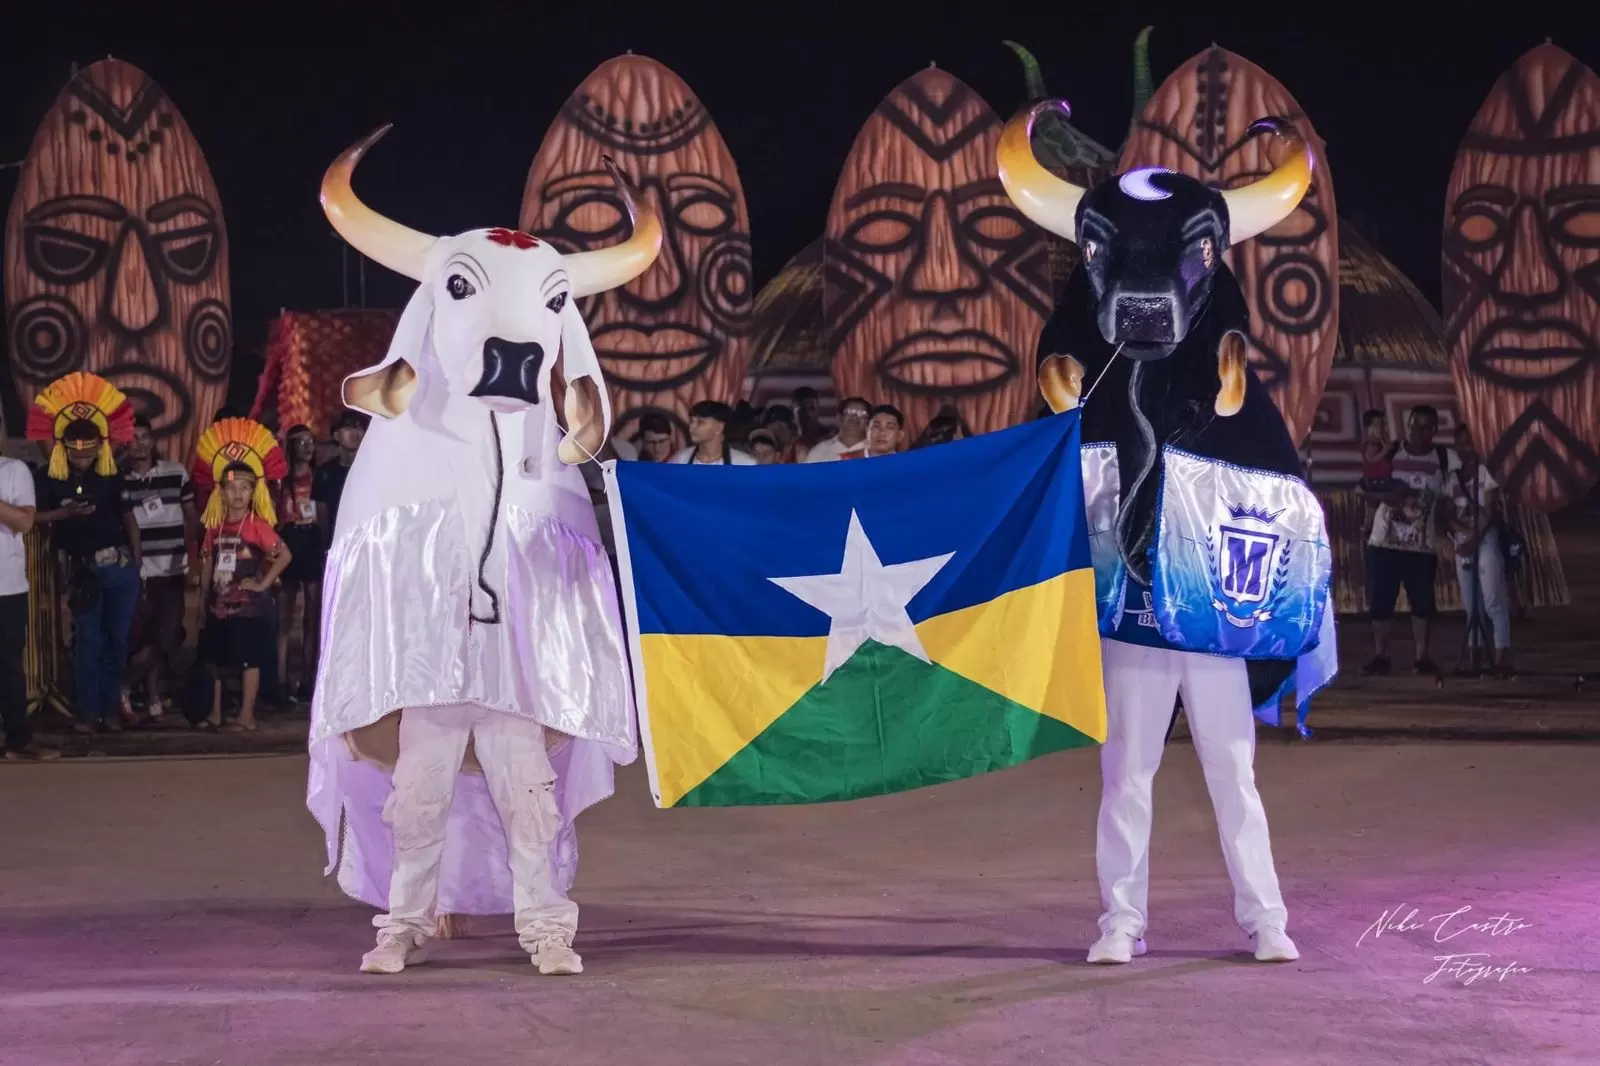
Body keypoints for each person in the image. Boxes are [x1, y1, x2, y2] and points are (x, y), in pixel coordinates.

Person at [28, 375, 142, 735]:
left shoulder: (112, 474)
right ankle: (88, 713)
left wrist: (137, 566)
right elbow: (34, 518)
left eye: (87, 447)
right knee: (88, 642)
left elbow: (130, 520)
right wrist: (64, 515)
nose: (81, 453)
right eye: (75, 447)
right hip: (82, 571)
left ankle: (110, 711)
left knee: (117, 641)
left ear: (99, 445)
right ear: (62, 444)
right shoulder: (49, 476)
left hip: (120, 567)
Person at [192, 419, 291, 733]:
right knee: (216, 661)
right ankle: (217, 714)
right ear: (220, 492)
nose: (237, 494)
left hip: (248, 608)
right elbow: (207, 565)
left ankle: (246, 716)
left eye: (244, 488)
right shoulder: (214, 528)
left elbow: (285, 554)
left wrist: (262, 583)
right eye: (231, 488)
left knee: (249, 659)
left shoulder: (257, 525)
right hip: (218, 606)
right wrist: (201, 603)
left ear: (253, 491)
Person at [1360, 404, 1458, 676]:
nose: (1419, 432)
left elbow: (1450, 499)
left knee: (1422, 602)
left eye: (1426, 427)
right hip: (1384, 541)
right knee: (1381, 601)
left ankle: (1421, 657)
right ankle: (1381, 655)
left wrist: (1452, 530)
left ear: (1435, 429)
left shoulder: (1444, 458)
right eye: (1414, 425)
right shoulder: (1391, 452)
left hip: (1421, 546)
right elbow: (1368, 486)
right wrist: (1372, 516)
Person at [122, 416, 198, 721]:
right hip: (137, 571)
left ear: (153, 441)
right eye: (132, 437)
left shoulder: (175, 473)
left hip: (171, 568)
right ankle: (152, 698)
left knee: (166, 637)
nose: (138, 443)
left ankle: (123, 684)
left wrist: (192, 557)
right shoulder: (119, 478)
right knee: (144, 637)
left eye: (144, 437)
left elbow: (191, 517)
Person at [0, 445, 56, 760]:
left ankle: (17, 740)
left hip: (6, 588)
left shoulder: (14, 471)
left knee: (8, 666)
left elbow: (24, 522)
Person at [1448, 423, 1513, 676]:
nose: (1466, 447)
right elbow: (1447, 511)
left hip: (1483, 540)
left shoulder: (1487, 472)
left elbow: (1490, 510)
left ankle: (1502, 657)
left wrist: (1471, 539)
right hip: (1462, 540)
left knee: (1493, 601)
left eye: (1470, 442)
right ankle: (1476, 657)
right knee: (1471, 605)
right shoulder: (1453, 477)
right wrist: (1459, 531)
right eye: (1462, 442)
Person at [276, 426, 325, 703]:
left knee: (311, 616)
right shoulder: (281, 480)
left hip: (312, 541)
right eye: (301, 442)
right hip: (289, 539)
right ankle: (281, 679)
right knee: (285, 616)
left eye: (311, 441)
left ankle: (309, 678)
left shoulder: (319, 476)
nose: (307, 446)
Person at [313, 410, 366, 540]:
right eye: (349, 427)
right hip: (336, 538)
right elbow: (321, 512)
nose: (355, 432)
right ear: (336, 435)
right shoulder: (325, 472)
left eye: (359, 427)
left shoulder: (370, 467)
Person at [669, 401, 756, 465]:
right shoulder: (680, 461)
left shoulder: (744, 464)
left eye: (700, 422)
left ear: (719, 427)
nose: (692, 427)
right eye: (692, 421)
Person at [802, 397, 871, 463]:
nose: (855, 417)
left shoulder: (873, 449)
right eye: (850, 412)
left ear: (869, 421)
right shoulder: (820, 450)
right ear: (840, 418)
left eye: (862, 414)